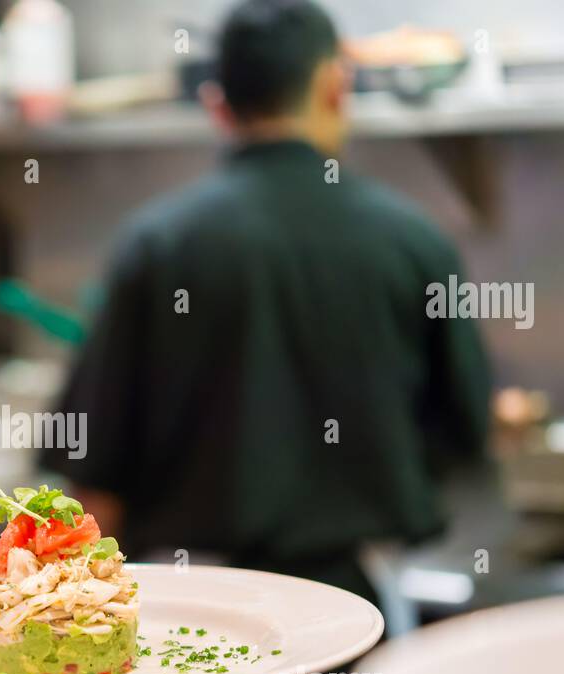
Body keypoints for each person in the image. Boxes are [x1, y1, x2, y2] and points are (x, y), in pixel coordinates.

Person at [38, 0, 491, 605]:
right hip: (353, 601)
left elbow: (94, 464)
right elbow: (467, 425)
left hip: (193, 603)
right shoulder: (415, 239)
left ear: (217, 105)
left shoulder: (158, 242)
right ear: (336, 87)